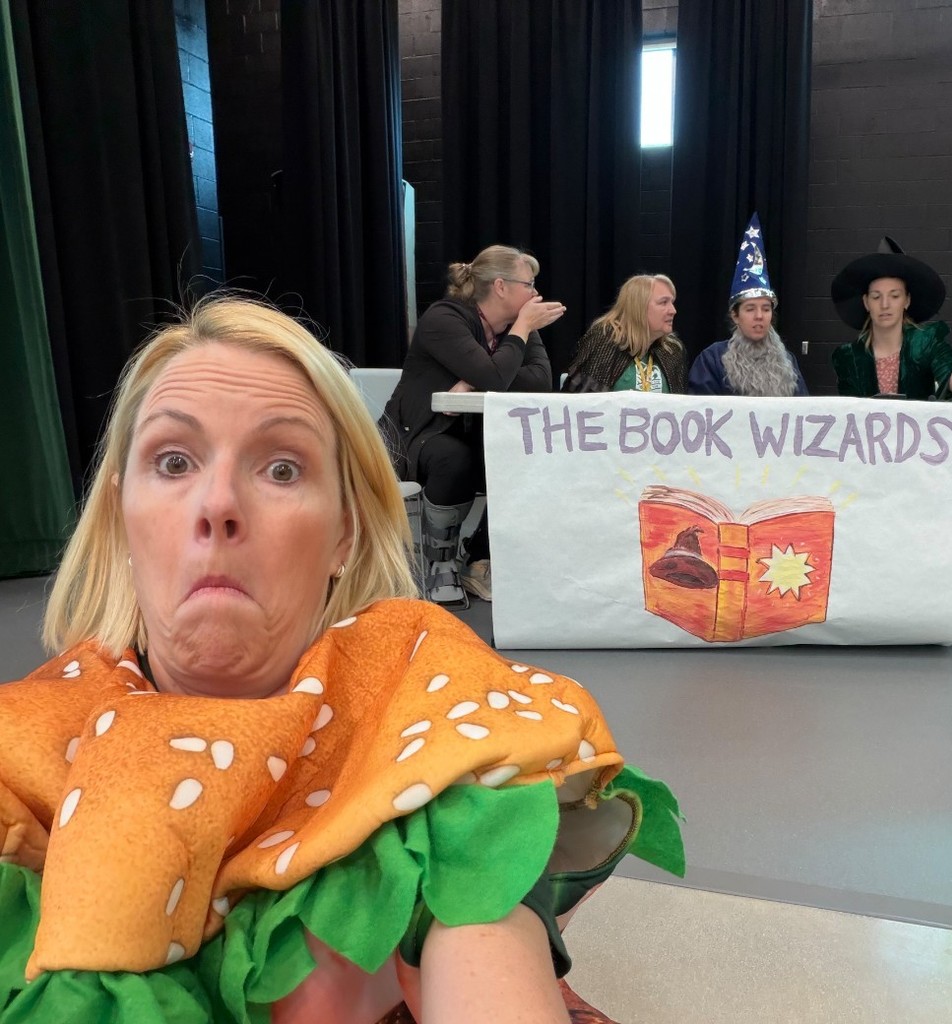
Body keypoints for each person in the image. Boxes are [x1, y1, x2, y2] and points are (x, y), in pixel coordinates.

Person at [0, 296, 683, 1024]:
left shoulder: (424, 702)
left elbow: (483, 930)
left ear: (345, 536)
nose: (218, 502)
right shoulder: (26, 749)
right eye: (173, 461)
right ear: (120, 513)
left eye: (283, 469)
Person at [382, 245, 565, 607]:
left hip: (474, 435)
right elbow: (498, 377)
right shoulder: (444, 318)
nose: (535, 295)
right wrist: (519, 334)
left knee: (522, 456)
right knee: (455, 457)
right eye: (529, 285)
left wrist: (474, 379)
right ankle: (441, 561)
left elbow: (541, 380)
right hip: (416, 437)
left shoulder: (518, 328)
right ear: (500, 286)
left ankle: (478, 559)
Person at [830, 236, 952, 400]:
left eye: (895, 296)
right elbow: (850, 408)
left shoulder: (926, 342)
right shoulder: (848, 356)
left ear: (907, 300)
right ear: (866, 302)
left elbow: (951, 379)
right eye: (876, 297)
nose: (885, 305)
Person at [688, 213, 808, 397]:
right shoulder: (712, 359)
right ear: (735, 315)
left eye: (766, 309)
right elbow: (702, 412)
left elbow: (802, 410)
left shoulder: (787, 360)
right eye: (750, 309)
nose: (759, 316)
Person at [561, 274, 687, 394]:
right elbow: (579, 403)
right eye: (663, 302)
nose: (673, 310)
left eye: (672, 302)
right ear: (639, 306)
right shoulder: (604, 341)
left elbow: (680, 407)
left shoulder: (672, 350)